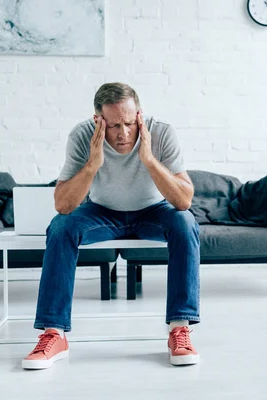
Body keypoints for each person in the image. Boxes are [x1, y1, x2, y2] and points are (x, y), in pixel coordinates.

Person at [21, 82, 200, 370]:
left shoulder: (162, 132)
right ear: (98, 120)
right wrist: (92, 164)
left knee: (185, 222)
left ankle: (179, 328)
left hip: (153, 210)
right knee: (60, 227)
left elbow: (183, 200)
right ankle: (54, 332)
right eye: (114, 125)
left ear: (139, 115)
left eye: (130, 123)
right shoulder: (82, 135)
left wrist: (149, 159)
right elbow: (64, 205)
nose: (124, 133)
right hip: (102, 212)